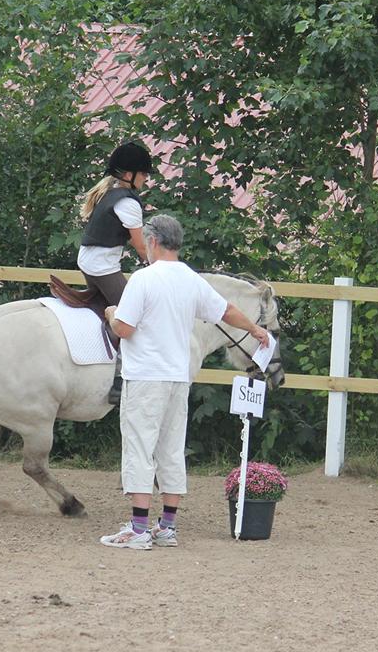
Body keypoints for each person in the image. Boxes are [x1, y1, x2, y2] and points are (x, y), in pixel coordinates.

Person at [98, 214, 271, 550]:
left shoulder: (143, 279)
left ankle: (137, 529)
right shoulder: (191, 280)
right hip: (179, 377)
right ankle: (167, 526)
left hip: (146, 376)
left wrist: (110, 313)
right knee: (171, 449)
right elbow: (227, 311)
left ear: (151, 241)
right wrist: (254, 329)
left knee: (139, 448)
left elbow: (124, 329)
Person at [76, 141, 153, 309]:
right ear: (127, 175)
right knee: (134, 314)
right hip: (102, 266)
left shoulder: (110, 192)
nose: (146, 177)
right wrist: (163, 266)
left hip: (88, 260)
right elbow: (140, 247)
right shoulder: (127, 202)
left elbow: (134, 239)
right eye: (143, 172)